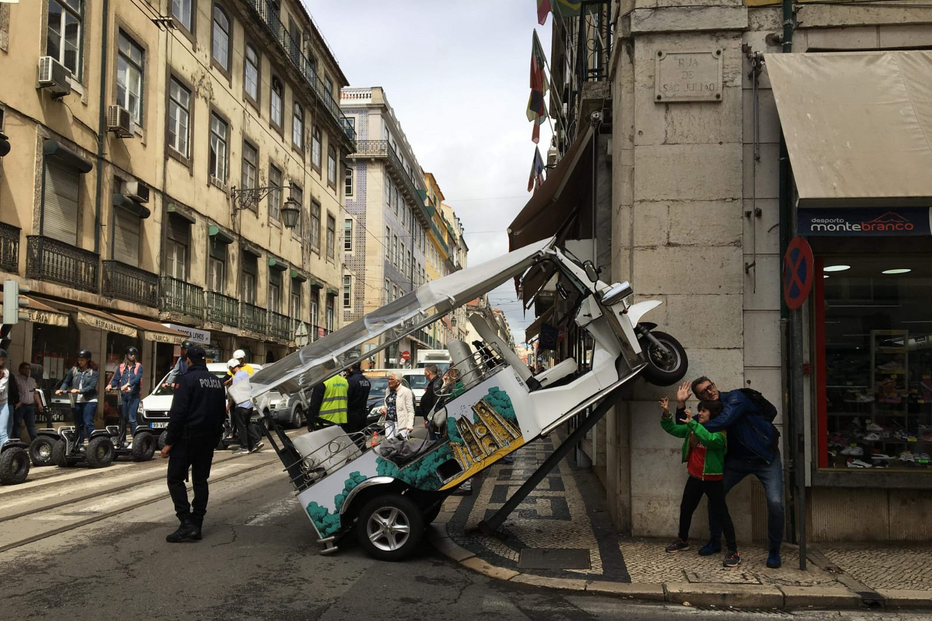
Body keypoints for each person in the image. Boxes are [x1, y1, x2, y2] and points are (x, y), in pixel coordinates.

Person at [677, 377, 784, 568]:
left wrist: (695, 428)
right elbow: (682, 426)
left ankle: (775, 551)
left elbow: (723, 421)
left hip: (765, 458)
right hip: (737, 461)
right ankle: (715, 541)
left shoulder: (736, 398)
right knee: (715, 496)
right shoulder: (710, 410)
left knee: (775, 503)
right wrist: (680, 405)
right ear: (700, 397)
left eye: (710, 387)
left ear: (714, 385)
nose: (709, 392)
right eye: (703, 392)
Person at [660, 396, 740, 568]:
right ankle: (683, 540)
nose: (700, 414)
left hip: (713, 479)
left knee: (722, 514)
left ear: (713, 414)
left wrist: (693, 424)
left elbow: (709, 440)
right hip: (695, 477)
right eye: (700, 411)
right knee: (686, 508)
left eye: (704, 411)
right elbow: (673, 429)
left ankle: (733, 551)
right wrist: (666, 414)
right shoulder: (694, 426)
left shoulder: (721, 434)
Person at [161, 345, 227, 543]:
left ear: (188, 360)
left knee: (174, 479)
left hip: (187, 438)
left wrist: (169, 442)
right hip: (208, 439)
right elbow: (221, 413)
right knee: (200, 480)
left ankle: (186, 522)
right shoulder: (217, 382)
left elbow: (178, 413)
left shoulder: (186, 380)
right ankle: (196, 523)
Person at [56, 349, 98, 448]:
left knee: (88, 423)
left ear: (88, 360)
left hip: (89, 400)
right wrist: (61, 389)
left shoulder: (93, 372)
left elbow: (91, 386)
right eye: (79, 360)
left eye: (82, 360)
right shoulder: (74, 370)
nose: (80, 362)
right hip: (76, 400)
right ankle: (80, 444)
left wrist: (79, 390)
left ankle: (93, 445)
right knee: (78, 424)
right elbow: (66, 381)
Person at [107, 346, 143, 447]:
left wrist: (128, 385)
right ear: (126, 355)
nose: (133, 356)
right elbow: (116, 378)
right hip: (123, 396)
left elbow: (137, 379)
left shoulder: (139, 367)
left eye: (134, 354)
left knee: (132, 418)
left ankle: (136, 441)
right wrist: (110, 385)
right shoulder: (122, 367)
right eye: (131, 354)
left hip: (133, 396)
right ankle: (122, 440)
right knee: (122, 418)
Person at [227, 359, 261, 454]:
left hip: (241, 404)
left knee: (241, 426)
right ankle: (257, 441)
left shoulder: (236, 377)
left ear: (232, 367)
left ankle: (244, 447)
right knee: (247, 424)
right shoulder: (245, 373)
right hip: (249, 404)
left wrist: (228, 406)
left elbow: (234, 393)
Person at [306, 365, 349, 432]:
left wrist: (310, 423)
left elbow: (314, 405)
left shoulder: (322, 383)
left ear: (323, 368)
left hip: (324, 423)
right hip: (342, 423)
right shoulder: (345, 382)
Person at [11, 361, 40, 442]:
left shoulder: (32, 380)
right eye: (25, 368)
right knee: (17, 424)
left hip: (30, 406)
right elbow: (13, 392)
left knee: (31, 425)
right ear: (20, 369)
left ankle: (35, 442)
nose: (27, 370)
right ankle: (17, 442)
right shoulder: (16, 379)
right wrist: (16, 402)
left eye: (28, 369)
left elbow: (35, 393)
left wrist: (39, 404)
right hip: (20, 406)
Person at [380, 372, 414, 440]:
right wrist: (383, 409)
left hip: (400, 423)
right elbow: (387, 404)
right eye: (388, 379)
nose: (389, 381)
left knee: (400, 443)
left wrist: (410, 425)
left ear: (398, 382)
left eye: (391, 379)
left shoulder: (406, 391)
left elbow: (410, 410)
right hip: (389, 422)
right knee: (389, 443)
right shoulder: (388, 390)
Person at [0, 349, 20, 446]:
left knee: (3, 433)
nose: (2, 360)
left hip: (3, 403)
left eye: (3, 358)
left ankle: (3, 454)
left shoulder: (5, 372)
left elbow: (0, 389)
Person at [345, 362, 371, 434]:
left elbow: (347, 397)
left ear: (350, 367)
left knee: (352, 437)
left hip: (352, 414)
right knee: (361, 436)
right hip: (362, 413)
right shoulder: (366, 380)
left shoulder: (350, 381)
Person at [419, 364, 443, 440]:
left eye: (425, 371)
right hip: (431, 418)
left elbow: (437, 403)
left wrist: (433, 420)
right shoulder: (434, 383)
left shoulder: (436, 384)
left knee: (435, 441)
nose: (424, 374)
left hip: (434, 420)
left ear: (428, 372)